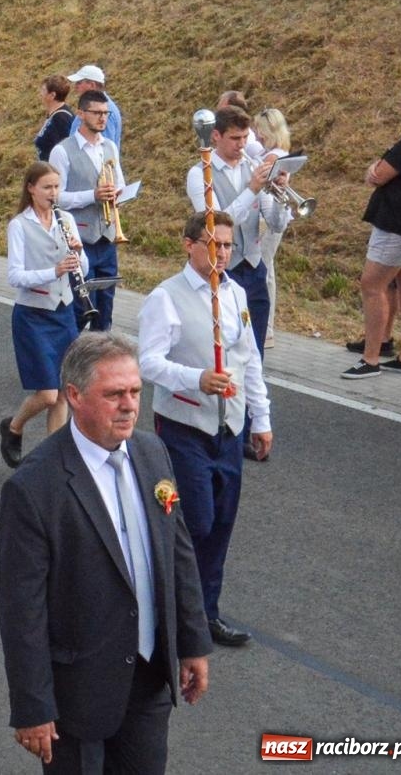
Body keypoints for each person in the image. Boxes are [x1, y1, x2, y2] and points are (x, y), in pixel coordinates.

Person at [0, 332, 212, 772]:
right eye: (114, 394)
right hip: (77, 692)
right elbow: (22, 609)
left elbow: (178, 552)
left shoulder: (152, 453)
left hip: (148, 676)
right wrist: (32, 705)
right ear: (74, 396)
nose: (129, 405)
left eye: (135, 391)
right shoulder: (34, 488)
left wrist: (192, 642)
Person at [139, 212, 272, 648]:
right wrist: (195, 378)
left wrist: (261, 418)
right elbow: (148, 363)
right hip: (184, 426)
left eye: (229, 245)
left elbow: (249, 360)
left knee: (221, 526)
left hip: (229, 428)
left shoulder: (236, 294)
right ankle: (166, 610)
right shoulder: (165, 297)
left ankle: (205, 613)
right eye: (215, 244)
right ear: (189, 245)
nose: (224, 253)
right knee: (194, 521)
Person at [0, 162, 89, 468]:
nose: (53, 193)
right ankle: (14, 426)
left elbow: (84, 268)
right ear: (31, 189)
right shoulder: (19, 225)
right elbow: (15, 276)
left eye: (56, 187)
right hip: (33, 314)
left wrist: (78, 254)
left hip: (63, 313)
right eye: (47, 187)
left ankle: (55, 459)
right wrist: (54, 271)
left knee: (63, 392)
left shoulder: (66, 219)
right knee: (48, 394)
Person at [185, 104, 291, 357]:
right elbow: (216, 224)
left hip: (254, 268)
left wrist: (281, 194)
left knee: (256, 349)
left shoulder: (252, 166)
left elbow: (276, 223)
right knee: (225, 349)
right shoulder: (199, 173)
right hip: (221, 269)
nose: (242, 145)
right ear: (216, 136)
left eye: (245, 137)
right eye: (235, 138)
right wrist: (252, 189)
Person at [343, 81, 401, 378]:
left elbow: (378, 175)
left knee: (372, 285)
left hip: (397, 223)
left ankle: (371, 358)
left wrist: (374, 168)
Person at [49, 90, 125, 333]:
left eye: (106, 113)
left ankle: (99, 354)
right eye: (96, 113)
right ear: (81, 114)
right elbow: (55, 197)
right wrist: (92, 195)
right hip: (79, 239)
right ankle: (67, 352)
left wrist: (119, 194)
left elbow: (120, 183)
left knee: (105, 308)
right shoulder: (62, 151)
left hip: (107, 236)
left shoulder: (110, 146)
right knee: (80, 308)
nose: (102, 118)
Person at [252, 107, 291, 348]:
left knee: (263, 271)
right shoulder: (279, 152)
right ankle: (267, 329)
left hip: (267, 218)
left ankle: (264, 329)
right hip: (273, 214)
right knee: (269, 272)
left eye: (259, 129)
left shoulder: (272, 157)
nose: (256, 134)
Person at [66, 63, 123, 147]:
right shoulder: (90, 106)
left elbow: (104, 148)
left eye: (79, 82)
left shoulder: (105, 111)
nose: (76, 86)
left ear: (92, 85)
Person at [32, 74, 75, 163]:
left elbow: (65, 151)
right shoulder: (54, 114)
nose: (40, 93)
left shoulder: (61, 118)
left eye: (43, 90)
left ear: (52, 95)